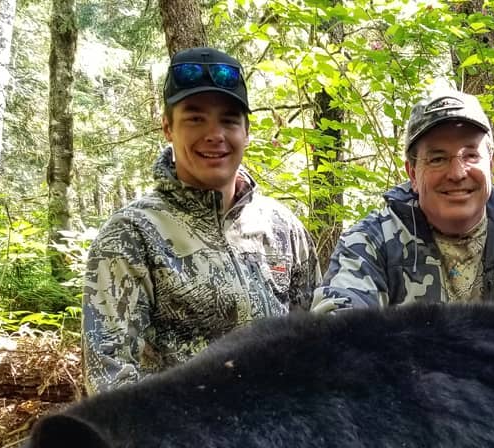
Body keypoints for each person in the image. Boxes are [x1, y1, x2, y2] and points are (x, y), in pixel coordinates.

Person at [83, 47, 320, 393]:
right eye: (195, 118)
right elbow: (110, 380)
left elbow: (315, 345)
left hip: (282, 436)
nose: (215, 134)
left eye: (228, 120)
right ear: (167, 126)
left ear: (246, 132)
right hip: (181, 440)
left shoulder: (283, 229)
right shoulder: (132, 235)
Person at [312, 89, 494, 324]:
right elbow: (334, 339)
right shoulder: (370, 246)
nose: (457, 173)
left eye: (471, 155)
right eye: (438, 158)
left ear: (491, 166)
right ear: (412, 173)